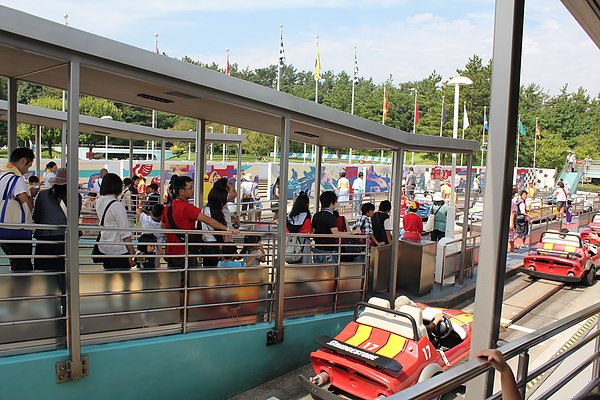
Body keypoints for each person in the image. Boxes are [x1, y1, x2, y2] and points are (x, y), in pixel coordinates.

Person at [162, 176, 236, 269]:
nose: (193, 190)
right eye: (190, 188)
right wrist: (228, 229)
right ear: (182, 191)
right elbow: (208, 220)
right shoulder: (187, 207)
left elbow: (164, 227)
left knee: (174, 280)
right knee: (189, 279)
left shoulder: (167, 207)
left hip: (171, 251)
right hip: (185, 251)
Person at [32, 168, 82, 271]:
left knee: (42, 268)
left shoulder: (43, 195)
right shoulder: (76, 197)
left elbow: (36, 217)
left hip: (44, 237)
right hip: (65, 238)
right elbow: (75, 217)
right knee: (63, 269)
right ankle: (63, 287)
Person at [0, 148, 35, 271]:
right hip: (16, 230)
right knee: (22, 266)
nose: (27, 170)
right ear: (23, 161)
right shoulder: (17, 179)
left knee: (15, 263)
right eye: (28, 166)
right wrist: (31, 194)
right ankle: (20, 290)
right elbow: (27, 204)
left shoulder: (2, 176)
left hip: (3, 228)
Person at [96, 173, 135, 269]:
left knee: (109, 277)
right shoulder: (117, 205)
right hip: (118, 249)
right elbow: (124, 231)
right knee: (124, 280)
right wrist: (131, 250)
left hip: (104, 246)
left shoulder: (100, 201)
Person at [199, 187, 231, 267]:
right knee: (216, 270)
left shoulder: (204, 210)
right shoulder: (216, 211)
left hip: (206, 244)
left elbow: (199, 226)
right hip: (215, 245)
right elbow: (218, 229)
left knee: (208, 270)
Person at [311, 191, 341, 264]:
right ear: (331, 203)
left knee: (318, 272)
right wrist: (352, 232)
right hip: (329, 250)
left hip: (317, 249)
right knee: (329, 273)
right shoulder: (331, 217)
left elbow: (314, 231)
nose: (337, 203)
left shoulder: (316, 215)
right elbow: (336, 233)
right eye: (336, 201)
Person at [286, 192, 312, 263]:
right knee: (305, 265)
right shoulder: (306, 215)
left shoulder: (290, 215)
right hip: (303, 242)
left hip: (290, 241)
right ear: (306, 204)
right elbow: (307, 230)